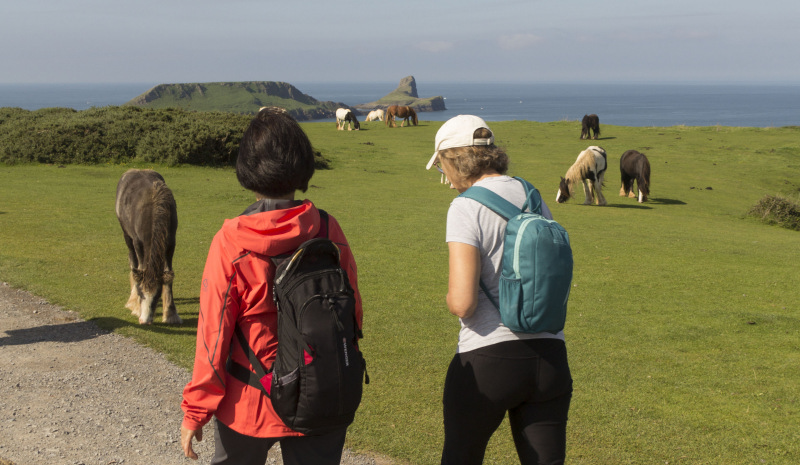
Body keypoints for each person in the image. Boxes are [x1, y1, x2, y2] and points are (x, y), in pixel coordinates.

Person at [181, 107, 363, 464]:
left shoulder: (231, 242)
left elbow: (213, 335)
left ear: (248, 169)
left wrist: (196, 409)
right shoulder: (328, 230)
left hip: (249, 398)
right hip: (321, 392)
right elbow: (352, 313)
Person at [425, 115, 573, 465]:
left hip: (489, 357)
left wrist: (447, 298)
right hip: (551, 357)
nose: (446, 180)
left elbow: (463, 303)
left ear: (456, 158)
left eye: (443, 167)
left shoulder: (465, 207)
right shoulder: (533, 197)